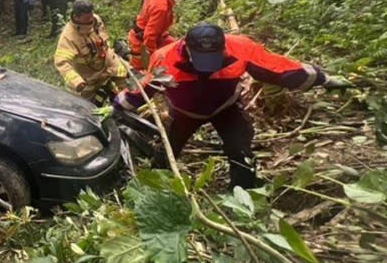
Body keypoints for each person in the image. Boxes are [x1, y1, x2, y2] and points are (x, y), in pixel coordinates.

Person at [113, 23, 351, 189]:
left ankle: (243, 192)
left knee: (240, 148)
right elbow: (145, 88)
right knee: (168, 151)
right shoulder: (166, 58)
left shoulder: (240, 48)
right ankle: (154, 184)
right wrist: (121, 106)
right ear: (187, 48)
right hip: (184, 114)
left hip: (225, 108)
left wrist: (323, 79)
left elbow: (277, 67)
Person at [55, 0, 128, 105]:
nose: (91, 20)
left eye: (91, 17)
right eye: (87, 19)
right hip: (89, 80)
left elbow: (104, 42)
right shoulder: (68, 37)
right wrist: (77, 82)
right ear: (76, 17)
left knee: (126, 91)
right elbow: (61, 63)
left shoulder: (96, 20)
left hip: (108, 69)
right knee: (87, 109)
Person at [128, 0, 191, 71]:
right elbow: (149, 36)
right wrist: (153, 58)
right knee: (143, 74)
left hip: (157, 35)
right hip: (142, 42)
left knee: (178, 49)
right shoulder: (161, 7)